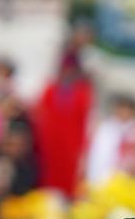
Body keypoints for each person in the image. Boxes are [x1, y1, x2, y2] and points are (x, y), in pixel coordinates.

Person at [31, 28, 94, 199]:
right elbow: (39, 112)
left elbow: (85, 120)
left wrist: (83, 146)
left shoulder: (82, 92)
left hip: (70, 144)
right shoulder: (51, 89)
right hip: (48, 143)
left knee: (67, 182)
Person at [85, 95, 135, 185]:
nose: (123, 111)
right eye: (121, 107)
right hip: (99, 176)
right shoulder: (105, 128)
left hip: (125, 181)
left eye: (127, 108)